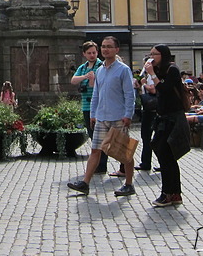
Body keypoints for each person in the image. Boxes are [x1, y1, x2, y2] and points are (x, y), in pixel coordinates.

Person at [67, 36, 136, 198]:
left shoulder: (123, 69)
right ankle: (85, 183)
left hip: (118, 116)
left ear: (116, 50)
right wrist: (93, 114)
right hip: (102, 117)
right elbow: (96, 94)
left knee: (124, 152)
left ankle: (129, 184)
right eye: (103, 47)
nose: (105, 49)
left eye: (109, 47)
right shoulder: (100, 70)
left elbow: (129, 94)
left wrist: (128, 114)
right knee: (95, 150)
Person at [147, 44, 191, 207]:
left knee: (167, 155)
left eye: (154, 54)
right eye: (150, 54)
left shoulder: (172, 69)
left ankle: (169, 193)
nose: (151, 57)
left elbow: (164, 89)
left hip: (173, 118)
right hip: (163, 117)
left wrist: (152, 74)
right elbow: (157, 91)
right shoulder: (159, 70)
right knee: (163, 154)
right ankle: (173, 193)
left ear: (163, 55)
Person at [70, 41, 107, 174]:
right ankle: (98, 164)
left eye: (94, 52)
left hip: (98, 105)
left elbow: (97, 86)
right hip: (86, 105)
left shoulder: (101, 65)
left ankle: (102, 165)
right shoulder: (83, 66)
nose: (92, 55)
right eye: (89, 53)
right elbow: (73, 80)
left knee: (100, 136)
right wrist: (86, 76)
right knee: (92, 135)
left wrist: (92, 80)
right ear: (84, 54)